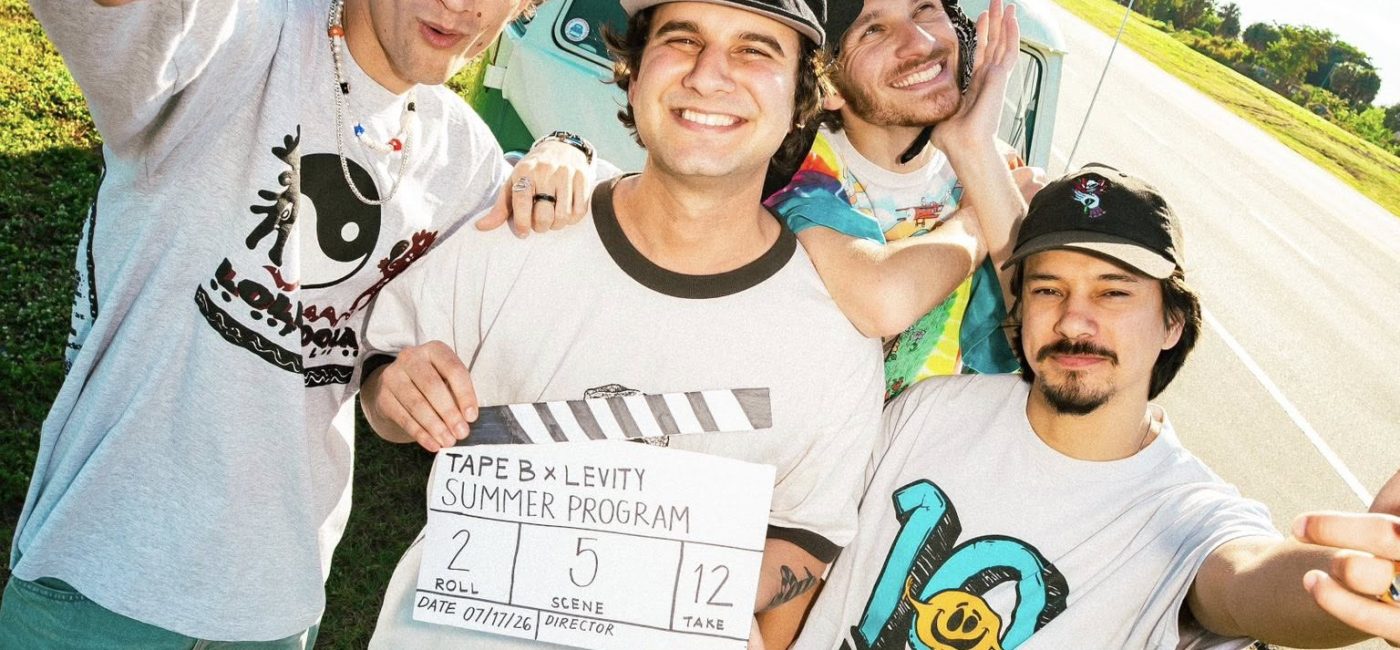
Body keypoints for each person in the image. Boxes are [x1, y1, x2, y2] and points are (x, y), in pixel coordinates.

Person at [1, 0, 592, 646]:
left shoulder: (466, 163)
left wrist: (568, 149)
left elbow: (387, 389)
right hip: (102, 582)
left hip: (276, 608)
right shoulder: (234, 34)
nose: (461, 4)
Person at [357, 0, 887, 647]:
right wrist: (394, 391)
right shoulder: (516, 230)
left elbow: (806, 538)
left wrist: (663, 588)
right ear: (632, 76)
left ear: (802, 101)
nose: (708, 74)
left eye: (754, 50)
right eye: (682, 39)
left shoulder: (833, 345)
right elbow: (384, 394)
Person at [789, 164, 1400, 649]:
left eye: (1113, 293)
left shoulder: (1184, 513)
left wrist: (1371, 579)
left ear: (1172, 323)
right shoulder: (929, 410)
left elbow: (1245, 581)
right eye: (1048, 289)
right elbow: (808, 549)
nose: (1074, 320)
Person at [765, 0, 1035, 402]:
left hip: (932, 433)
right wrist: (978, 221)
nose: (921, 42)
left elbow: (1040, 328)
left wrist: (975, 149)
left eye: (924, 8)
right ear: (828, 84)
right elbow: (883, 300)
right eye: (872, 30)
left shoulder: (986, 161)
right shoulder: (800, 174)